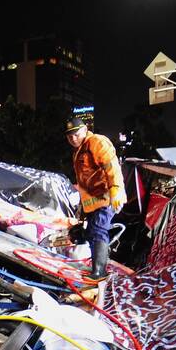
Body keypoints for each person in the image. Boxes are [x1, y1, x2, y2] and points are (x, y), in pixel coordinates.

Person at [66, 117, 127, 279]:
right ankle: (98, 267)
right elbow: (85, 180)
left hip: (108, 197)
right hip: (93, 202)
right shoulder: (79, 151)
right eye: (70, 136)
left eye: (76, 134)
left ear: (85, 130)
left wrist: (116, 190)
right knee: (93, 232)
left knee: (99, 230)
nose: (73, 138)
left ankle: (99, 272)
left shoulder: (96, 142)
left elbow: (111, 166)